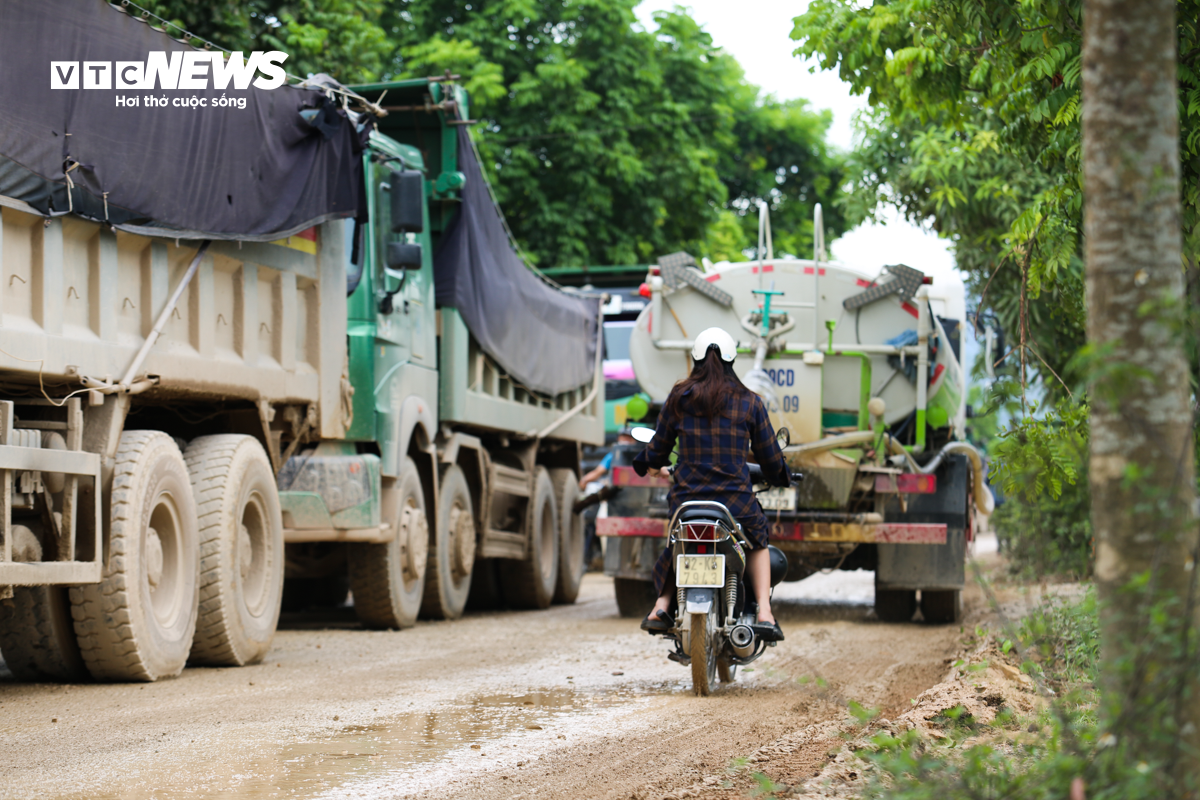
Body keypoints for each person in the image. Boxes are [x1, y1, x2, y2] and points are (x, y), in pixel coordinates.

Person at [631, 327, 790, 642]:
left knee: (676, 541)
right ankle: (764, 613)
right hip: (736, 503)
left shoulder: (679, 397)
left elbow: (659, 448)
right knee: (757, 536)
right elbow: (770, 458)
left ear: (695, 359)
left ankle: (660, 606)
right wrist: (781, 476)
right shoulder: (750, 402)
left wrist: (650, 463)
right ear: (732, 360)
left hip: (688, 500)